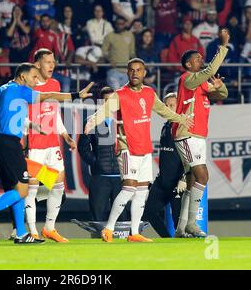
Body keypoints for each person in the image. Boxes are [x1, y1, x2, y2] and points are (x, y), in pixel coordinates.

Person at [0, 62, 93, 243]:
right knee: (23, 189)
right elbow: (49, 95)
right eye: (34, 77)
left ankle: (21, 233)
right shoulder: (20, 90)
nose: (36, 81)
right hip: (9, 143)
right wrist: (76, 95)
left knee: (19, 188)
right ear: (22, 76)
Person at [84, 58, 193, 243]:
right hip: (127, 148)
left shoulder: (150, 93)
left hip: (145, 149)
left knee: (141, 192)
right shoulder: (120, 94)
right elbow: (104, 110)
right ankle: (108, 229)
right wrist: (92, 121)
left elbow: (163, 111)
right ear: (127, 73)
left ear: (144, 73)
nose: (135, 73)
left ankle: (134, 233)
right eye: (131, 70)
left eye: (139, 70)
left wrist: (180, 119)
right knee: (128, 189)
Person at [173, 29, 230, 238]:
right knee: (202, 176)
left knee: (191, 181)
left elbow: (223, 93)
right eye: (197, 59)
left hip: (198, 136)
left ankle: (181, 227)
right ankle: (192, 224)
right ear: (189, 65)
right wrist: (223, 47)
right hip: (186, 133)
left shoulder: (201, 85)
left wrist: (219, 85)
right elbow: (207, 72)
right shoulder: (187, 79)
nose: (201, 61)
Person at [24, 49, 77, 242]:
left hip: (52, 145)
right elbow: (20, 117)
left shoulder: (55, 84)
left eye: (53, 62)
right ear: (37, 65)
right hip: (34, 146)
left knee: (58, 184)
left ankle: (49, 227)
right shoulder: (27, 86)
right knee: (32, 187)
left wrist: (64, 135)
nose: (52, 65)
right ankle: (32, 231)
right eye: (47, 62)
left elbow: (54, 114)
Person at [78, 86, 127, 222]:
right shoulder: (91, 121)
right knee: (97, 218)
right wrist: (96, 162)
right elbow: (83, 147)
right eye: (106, 100)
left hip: (121, 178)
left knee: (122, 219)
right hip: (100, 178)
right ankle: (96, 243)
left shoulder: (125, 121)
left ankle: (124, 242)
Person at [142, 92, 186, 238]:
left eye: (171, 105)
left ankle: (185, 250)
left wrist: (184, 178)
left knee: (178, 222)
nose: (168, 108)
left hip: (177, 183)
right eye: (166, 106)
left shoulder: (183, 127)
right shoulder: (165, 126)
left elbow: (190, 157)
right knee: (149, 212)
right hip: (162, 181)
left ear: (179, 106)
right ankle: (167, 240)